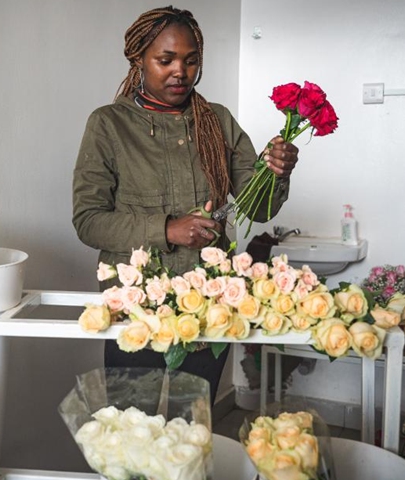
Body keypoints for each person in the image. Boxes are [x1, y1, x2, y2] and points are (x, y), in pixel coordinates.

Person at [71, 6, 299, 403]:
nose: (181, 71)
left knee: (194, 428)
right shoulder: (108, 125)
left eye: (191, 60)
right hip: (136, 310)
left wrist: (276, 173)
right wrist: (168, 229)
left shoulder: (218, 121)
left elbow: (258, 208)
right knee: (132, 431)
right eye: (166, 59)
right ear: (139, 58)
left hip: (209, 311)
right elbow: (89, 221)